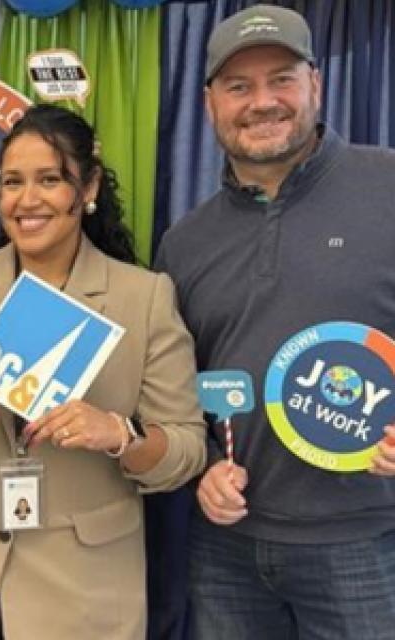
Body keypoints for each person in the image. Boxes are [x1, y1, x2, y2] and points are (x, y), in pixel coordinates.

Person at [0, 104, 206, 640]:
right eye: (12, 182)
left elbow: (185, 451)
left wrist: (118, 434)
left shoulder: (142, 297)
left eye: (49, 180)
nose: (27, 200)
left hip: (80, 593)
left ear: (87, 188)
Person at [155, 5, 395, 639]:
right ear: (210, 103)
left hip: (369, 546)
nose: (262, 102)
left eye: (281, 79)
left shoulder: (389, 186)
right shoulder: (185, 243)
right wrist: (206, 464)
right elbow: (173, 389)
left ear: (315, 83)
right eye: (239, 86)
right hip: (224, 550)